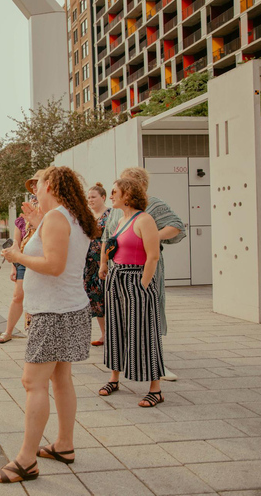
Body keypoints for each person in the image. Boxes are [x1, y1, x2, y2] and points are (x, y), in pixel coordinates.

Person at [0, 166, 99, 484]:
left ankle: (25, 461)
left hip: (54, 315)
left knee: (32, 383)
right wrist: (37, 224)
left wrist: (16, 255)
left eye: (37, 185)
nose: (33, 191)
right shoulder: (71, 216)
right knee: (60, 380)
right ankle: (64, 446)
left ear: (50, 184)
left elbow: (53, 265)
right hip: (69, 309)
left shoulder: (57, 218)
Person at [101, 167, 185, 381]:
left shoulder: (152, 206)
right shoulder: (117, 213)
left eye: (123, 185)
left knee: (148, 315)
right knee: (119, 321)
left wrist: (149, 237)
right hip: (118, 270)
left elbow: (177, 226)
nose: (115, 191)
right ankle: (123, 367)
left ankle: (157, 367)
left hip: (142, 267)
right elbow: (108, 237)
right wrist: (104, 264)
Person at [98, 178, 165, 407]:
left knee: (144, 332)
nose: (111, 196)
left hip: (136, 280)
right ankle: (114, 378)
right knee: (116, 329)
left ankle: (155, 389)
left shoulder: (144, 219)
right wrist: (105, 264)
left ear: (128, 194)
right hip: (117, 279)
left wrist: (143, 285)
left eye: (115, 191)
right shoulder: (121, 220)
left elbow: (153, 256)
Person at [0, 170, 44, 344]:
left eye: (36, 183)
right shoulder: (25, 213)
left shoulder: (49, 210)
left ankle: (34, 332)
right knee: (18, 296)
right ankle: (9, 331)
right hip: (23, 259)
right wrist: (13, 265)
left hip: (40, 259)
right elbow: (16, 241)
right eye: (32, 184)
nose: (33, 187)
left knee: (37, 297)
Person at [85, 183, 111, 346]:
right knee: (95, 300)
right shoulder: (87, 215)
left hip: (104, 263)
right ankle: (104, 334)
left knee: (108, 297)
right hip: (88, 264)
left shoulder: (110, 215)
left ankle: (115, 334)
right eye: (88, 197)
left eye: (93, 197)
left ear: (103, 197)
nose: (90, 200)